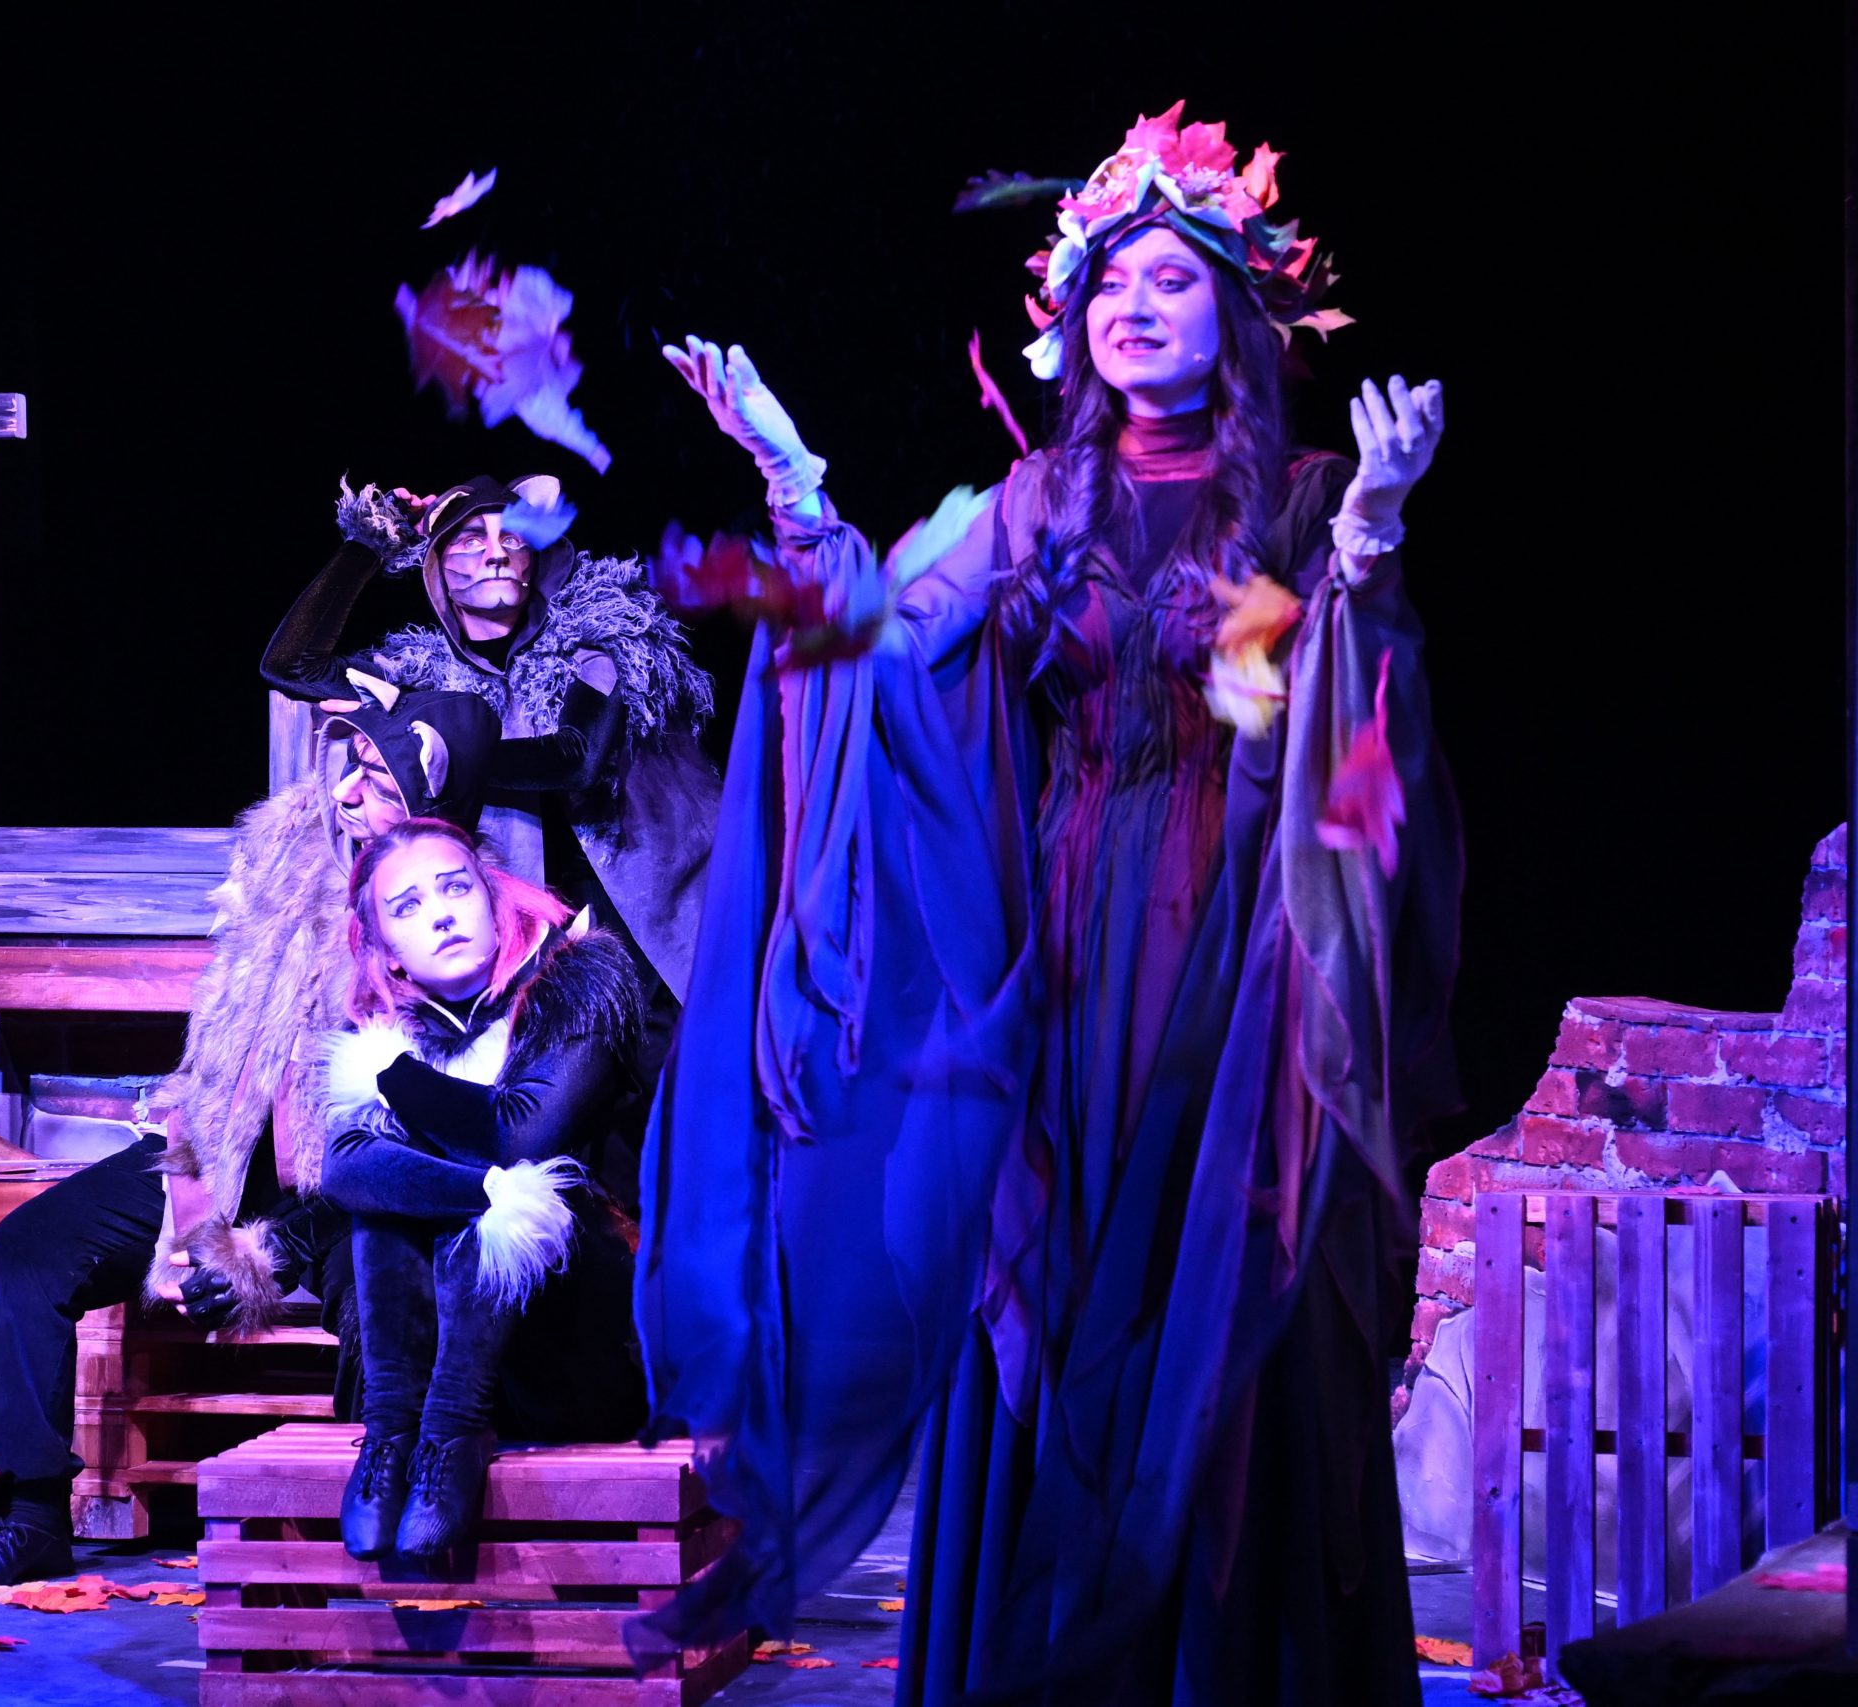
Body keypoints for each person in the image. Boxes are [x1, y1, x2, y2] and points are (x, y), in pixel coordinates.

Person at [638, 102, 1463, 1704]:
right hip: (1061, 967)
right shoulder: (1034, 505)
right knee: (1053, 1285)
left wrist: (1368, 538)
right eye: (1108, 284)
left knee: (1224, 1313)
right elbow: (881, 656)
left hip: (1237, 968)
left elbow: (1324, 741)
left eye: (1171, 277)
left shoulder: (1297, 501)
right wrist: (800, 488)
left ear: (1239, 307)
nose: (1132, 306)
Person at [0, 685, 503, 1594]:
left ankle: (370, 1552)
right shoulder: (294, 867)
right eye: (350, 768)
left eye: (378, 781)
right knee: (26, 1253)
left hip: (352, 1195)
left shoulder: (450, 920)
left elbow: (420, 1150)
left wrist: (270, 1244)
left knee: (383, 1309)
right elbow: (225, 1053)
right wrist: (194, 1195)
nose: (347, 793)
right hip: (224, 1152)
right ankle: (34, 1515)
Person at [261, 476, 719, 1010]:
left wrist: (438, 749)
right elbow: (291, 665)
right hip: (518, 934)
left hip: (646, 918)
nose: (497, 554)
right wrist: (372, 541)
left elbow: (577, 758)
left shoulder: (596, 637)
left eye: (514, 539)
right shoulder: (425, 675)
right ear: (437, 570)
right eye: (470, 540)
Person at [318, 819, 647, 1560]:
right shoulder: (389, 1024)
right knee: (389, 1202)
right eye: (407, 906)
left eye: (455, 888)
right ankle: (392, 1435)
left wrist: (393, 1077)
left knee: (495, 1190)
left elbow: (518, 1136)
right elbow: (342, 1168)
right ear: (387, 951)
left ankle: (449, 1436)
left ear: (493, 901)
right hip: (434, 1348)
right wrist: (484, 1191)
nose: (440, 914)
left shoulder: (576, 979)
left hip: (574, 1333)